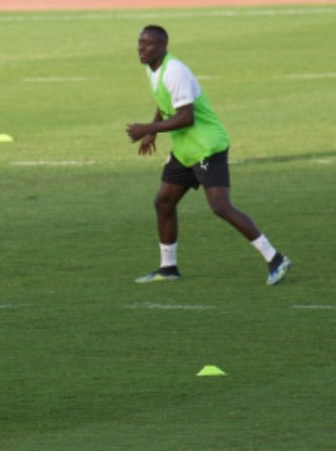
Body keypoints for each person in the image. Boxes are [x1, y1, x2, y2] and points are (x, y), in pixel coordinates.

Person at [125, 25, 291, 286]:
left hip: (206, 146)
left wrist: (148, 128)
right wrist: (153, 131)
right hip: (185, 149)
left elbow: (186, 116)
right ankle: (168, 268)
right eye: (140, 43)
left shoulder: (175, 70)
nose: (141, 49)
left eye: (148, 44)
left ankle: (275, 258)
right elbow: (164, 100)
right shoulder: (152, 69)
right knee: (163, 202)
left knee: (220, 206)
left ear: (164, 47)